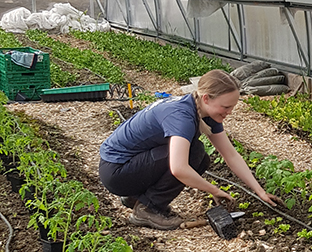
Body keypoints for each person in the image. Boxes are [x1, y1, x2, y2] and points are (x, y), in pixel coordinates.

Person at [99, 69, 279, 231]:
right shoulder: (182, 116)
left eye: (232, 107)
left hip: (130, 167)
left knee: (199, 156)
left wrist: (259, 191)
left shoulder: (204, 112)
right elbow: (178, 168)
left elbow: (230, 154)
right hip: (117, 172)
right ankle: (147, 208)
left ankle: (137, 197)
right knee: (194, 154)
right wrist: (214, 190)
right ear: (206, 97)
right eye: (226, 107)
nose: (229, 112)